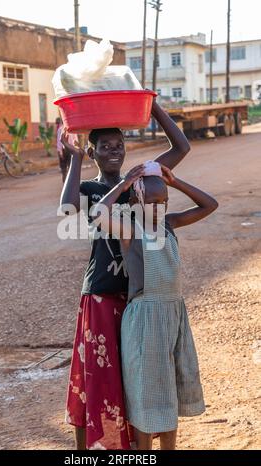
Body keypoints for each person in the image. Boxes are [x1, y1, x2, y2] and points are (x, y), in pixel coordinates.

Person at [60, 98, 191, 450]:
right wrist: (73, 159)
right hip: (102, 293)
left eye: (119, 145)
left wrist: (154, 107)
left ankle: (134, 448)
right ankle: (87, 452)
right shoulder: (91, 190)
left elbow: (181, 147)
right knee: (98, 380)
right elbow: (67, 207)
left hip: (138, 300)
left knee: (134, 379)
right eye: (105, 146)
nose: (114, 151)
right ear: (94, 152)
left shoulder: (140, 182)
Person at [92, 162, 218, 450]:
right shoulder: (129, 229)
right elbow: (98, 213)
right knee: (146, 395)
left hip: (173, 316)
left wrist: (175, 182)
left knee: (171, 388)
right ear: (136, 202)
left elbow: (210, 204)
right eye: (152, 202)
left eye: (164, 202)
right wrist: (124, 184)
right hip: (145, 319)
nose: (159, 208)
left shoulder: (169, 224)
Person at [56, 116, 78, 183]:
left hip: (64, 150)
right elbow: (75, 141)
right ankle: (69, 185)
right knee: (70, 169)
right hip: (70, 149)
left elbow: (59, 142)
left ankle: (66, 186)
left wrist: (60, 152)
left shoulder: (60, 129)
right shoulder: (71, 129)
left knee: (64, 170)